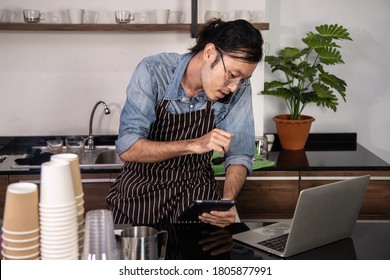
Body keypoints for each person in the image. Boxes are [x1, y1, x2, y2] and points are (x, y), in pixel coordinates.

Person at [107, 19, 264, 227]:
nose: (235, 87)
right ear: (209, 53)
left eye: (242, 80)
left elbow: (239, 153)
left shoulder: (238, 87)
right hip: (138, 197)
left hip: (195, 198)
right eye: (232, 75)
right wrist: (194, 144)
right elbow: (128, 148)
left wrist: (227, 202)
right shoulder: (154, 71)